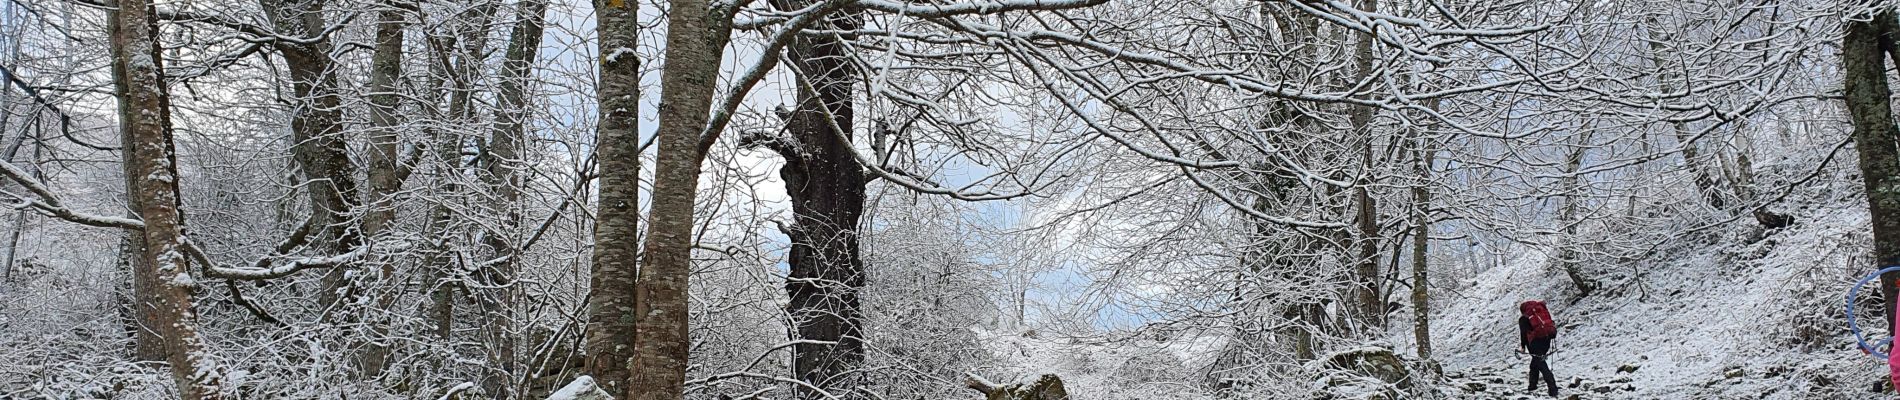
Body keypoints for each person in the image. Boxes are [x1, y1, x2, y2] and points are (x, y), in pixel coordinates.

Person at [1519, 301, 1558, 397]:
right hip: (1546, 340)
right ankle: (1532, 386)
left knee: (1540, 363)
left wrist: (1523, 347)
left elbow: (1523, 334)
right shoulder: (1541, 313)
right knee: (1535, 364)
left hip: (1535, 343)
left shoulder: (1524, 318)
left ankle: (1552, 387)